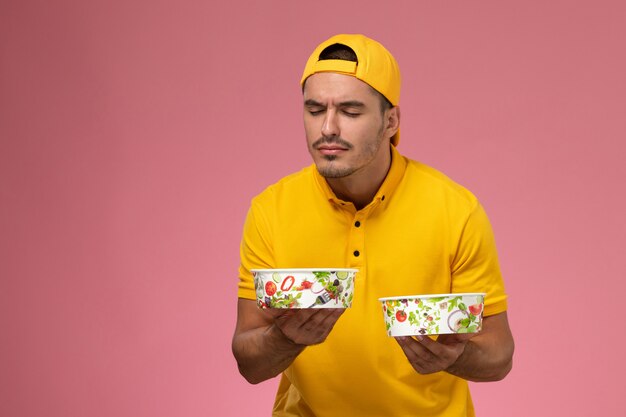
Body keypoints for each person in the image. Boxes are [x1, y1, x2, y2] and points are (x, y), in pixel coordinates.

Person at [232, 33, 514, 417]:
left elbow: (499, 356)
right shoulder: (271, 210)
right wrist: (285, 339)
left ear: (390, 120)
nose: (328, 128)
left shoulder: (456, 210)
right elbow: (249, 363)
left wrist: (455, 356)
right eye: (315, 110)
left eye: (350, 111)